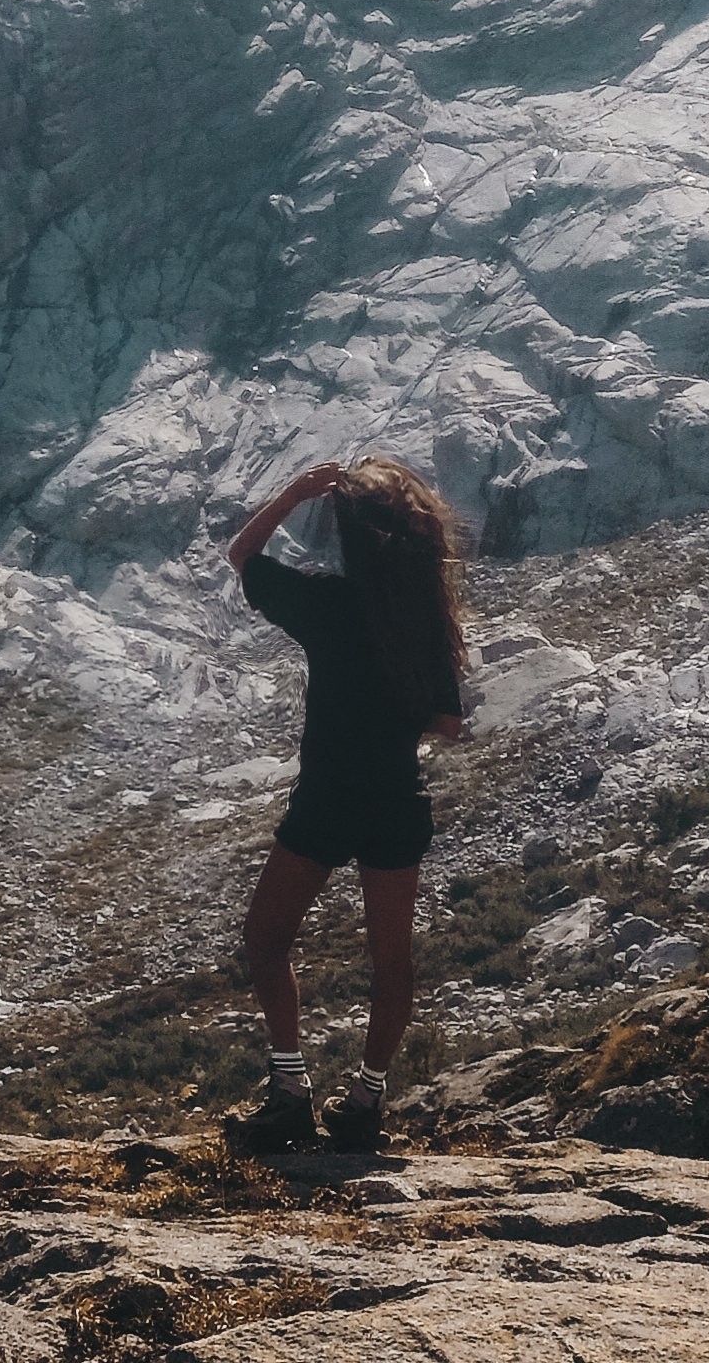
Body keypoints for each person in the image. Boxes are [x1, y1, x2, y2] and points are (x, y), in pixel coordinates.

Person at [216, 455, 471, 1152]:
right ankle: (364, 1101)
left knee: (267, 940)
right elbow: (448, 725)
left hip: (326, 801)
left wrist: (297, 492)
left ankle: (290, 1090)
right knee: (391, 962)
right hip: (395, 802)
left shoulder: (327, 604)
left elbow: (243, 554)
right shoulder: (423, 618)